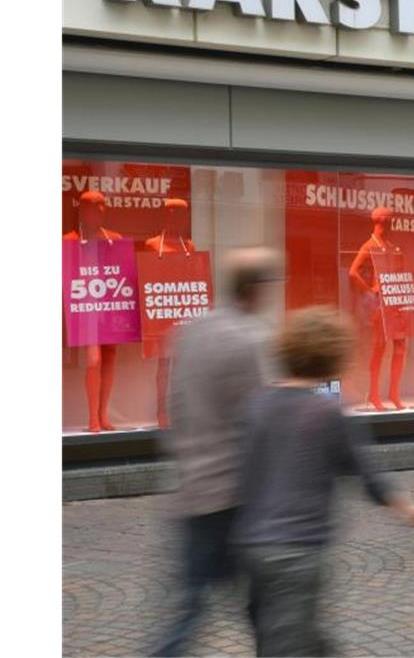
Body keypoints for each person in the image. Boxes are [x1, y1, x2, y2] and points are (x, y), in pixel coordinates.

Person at [234, 307, 414, 656]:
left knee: (292, 638)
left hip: (252, 546)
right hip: (298, 548)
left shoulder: (257, 405)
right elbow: (368, 475)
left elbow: (240, 470)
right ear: (333, 358)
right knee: (291, 644)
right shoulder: (327, 414)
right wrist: (408, 507)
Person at [151, 247, 282, 657]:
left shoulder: (192, 330)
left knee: (189, 608)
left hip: (192, 489)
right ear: (258, 288)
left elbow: (175, 404)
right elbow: (266, 420)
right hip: (238, 496)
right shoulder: (252, 339)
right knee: (266, 607)